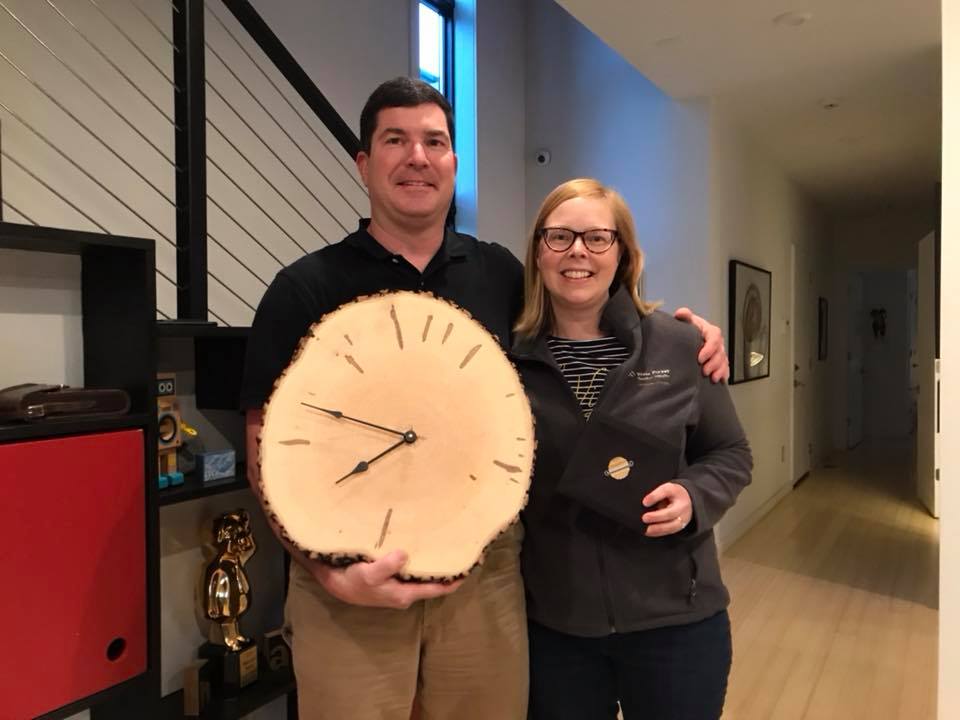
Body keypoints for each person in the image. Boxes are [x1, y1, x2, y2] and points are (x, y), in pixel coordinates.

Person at [238, 78, 729, 720]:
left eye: (434, 141)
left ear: (453, 162)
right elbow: (265, 447)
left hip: (485, 578)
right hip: (348, 581)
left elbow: (586, 302)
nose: (417, 157)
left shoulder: (502, 277)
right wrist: (330, 573)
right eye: (395, 140)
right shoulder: (303, 288)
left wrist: (686, 334)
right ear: (363, 163)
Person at [512, 178, 753, 720]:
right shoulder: (507, 363)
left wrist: (694, 497)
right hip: (557, 632)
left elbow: (730, 452)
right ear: (538, 253)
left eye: (598, 237)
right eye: (559, 237)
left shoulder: (682, 346)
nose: (578, 251)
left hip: (677, 625)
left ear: (623, 254)